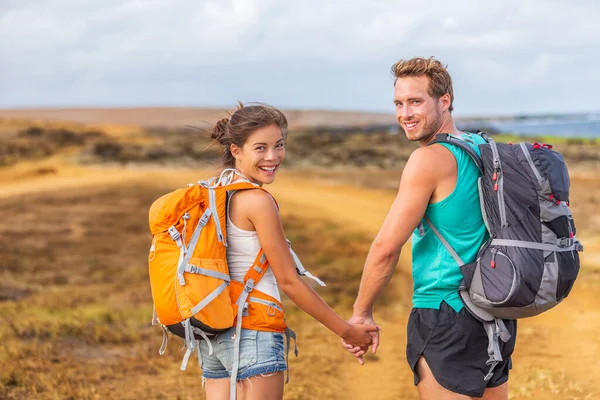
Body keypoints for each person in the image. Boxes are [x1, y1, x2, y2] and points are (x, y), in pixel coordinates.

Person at [343, 58, 517, 399]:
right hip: (495, 314)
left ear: (445, 101)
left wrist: (361, 313)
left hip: (445, 312)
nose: (404, 114)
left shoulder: (428, 159)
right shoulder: (483, 148)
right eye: (398, 103)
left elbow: (386, 248)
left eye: (415, 102)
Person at [200, 102, 379, 400]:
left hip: (215, 334)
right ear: (235, 150)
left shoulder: (211, 194)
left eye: (279, 145)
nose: (273, 157)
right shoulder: (258, 201)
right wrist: (346, 331)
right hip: (255, 330)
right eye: (260, 148)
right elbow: (289, 282)